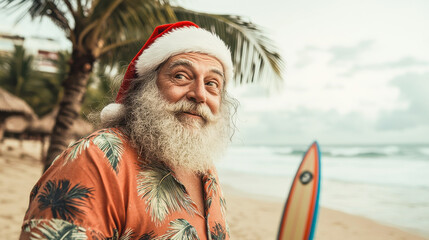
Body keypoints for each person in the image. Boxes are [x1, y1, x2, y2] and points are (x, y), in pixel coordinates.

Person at [20, 21, 237, 240]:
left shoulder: (205, 169)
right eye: (181, 76)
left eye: (212, 83)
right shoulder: (95, 159)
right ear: (146, 86)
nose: (199, 94)